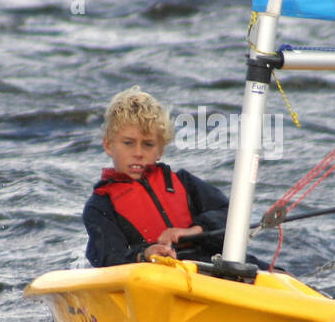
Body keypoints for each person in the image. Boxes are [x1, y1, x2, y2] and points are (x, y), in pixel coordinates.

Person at [84, 87, 231, 267]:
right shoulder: (100, 206)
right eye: (128, 143)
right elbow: (108, 257)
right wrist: (145, 254)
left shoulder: (184, 182)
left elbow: (230, 214)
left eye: (148, 144)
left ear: (160, 150)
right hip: (156, 275)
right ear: (108, 145)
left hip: (212, 265)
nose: (138, 153)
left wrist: (193, 230)